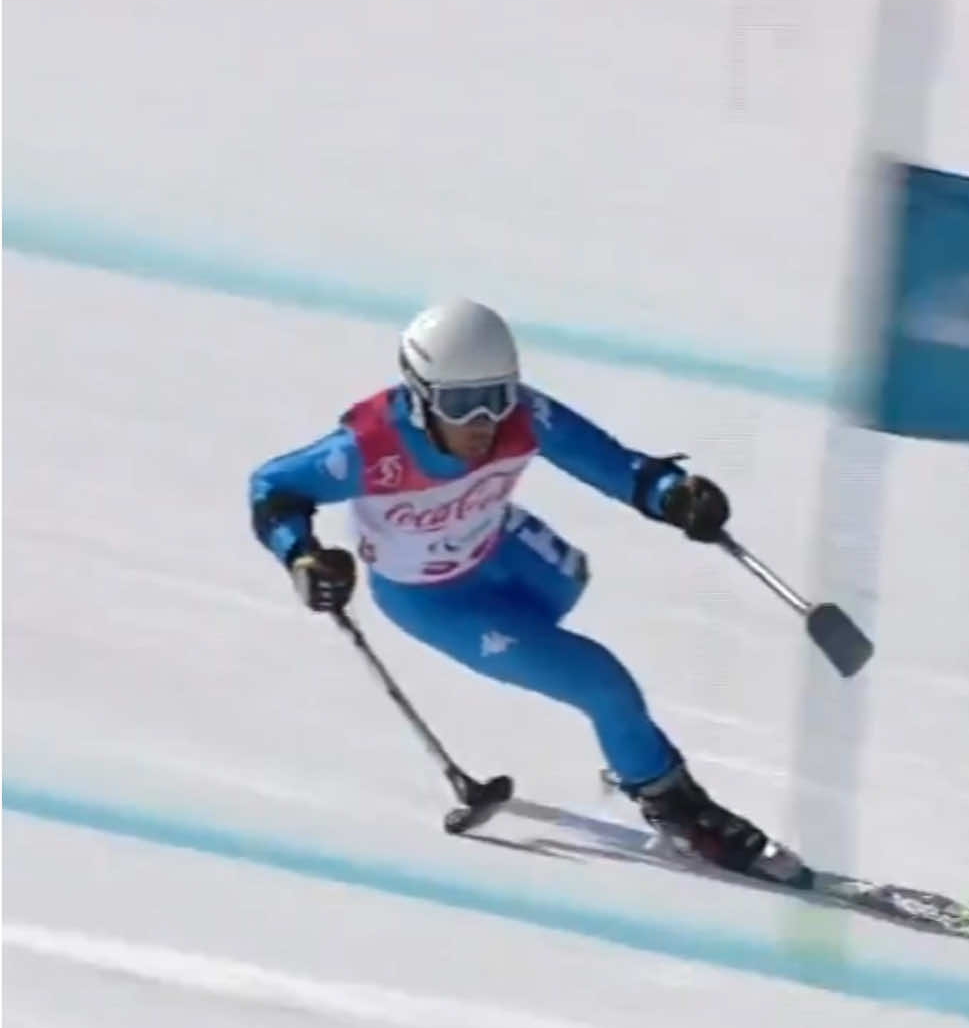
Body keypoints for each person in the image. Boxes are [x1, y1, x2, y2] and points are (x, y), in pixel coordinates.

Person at [248, 298, 792, 878]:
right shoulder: (369, 448)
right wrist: (302, 555)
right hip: (430, 598)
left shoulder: (523, 418)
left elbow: (615, 465)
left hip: (500, 548)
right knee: (601, 681)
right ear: (420, 395)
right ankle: (674, 804)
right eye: (462, 404)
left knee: (570, 584)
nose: (484, 421)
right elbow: (273, 489)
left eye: (498, 395)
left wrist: (674, 495)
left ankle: (624, 741)